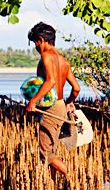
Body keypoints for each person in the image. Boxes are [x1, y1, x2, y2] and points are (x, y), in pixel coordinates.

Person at [26, 22, 80, 177]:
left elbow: (51, 81)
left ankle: (75, 178)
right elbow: (76, 88)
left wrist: (33, 101)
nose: (35, 47)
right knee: (52, 149)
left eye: (35, 42)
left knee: (46, 153)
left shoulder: (46, 56)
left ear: (41, 40)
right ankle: (52, 186)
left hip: (50, 107)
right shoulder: (63, 60)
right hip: (60, 106)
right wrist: (69, 102)